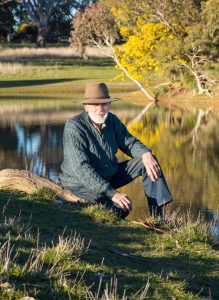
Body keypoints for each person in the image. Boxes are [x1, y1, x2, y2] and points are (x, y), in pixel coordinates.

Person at [59, 83, 172, 219]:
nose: (100, 108)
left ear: (109, 105)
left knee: (148, 162)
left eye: (104, 104)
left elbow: (129, 143)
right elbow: (81, 168)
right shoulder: (74, 126)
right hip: (80, 184)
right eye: (95, 105)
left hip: (108, 174)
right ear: (86, 107)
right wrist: (112, 193)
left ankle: (158, 218)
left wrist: (145, 154)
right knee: (121, 208)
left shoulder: (112, 120)